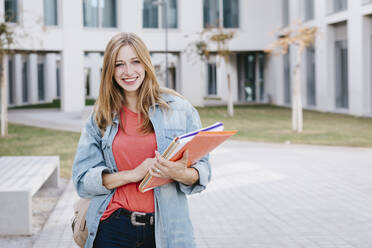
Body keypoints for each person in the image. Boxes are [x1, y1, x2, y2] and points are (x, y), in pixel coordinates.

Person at [72, 32, 211, 248]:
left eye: (135, 61)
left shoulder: (179, 109)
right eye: (119, 64)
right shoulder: (101, 116)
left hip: (167, 229)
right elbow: (82, 180)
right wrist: (133, 174)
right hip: (113, 226)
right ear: (110, 70)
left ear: (146, 64)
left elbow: (203, 171)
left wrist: (179, 173)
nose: (128, 72)